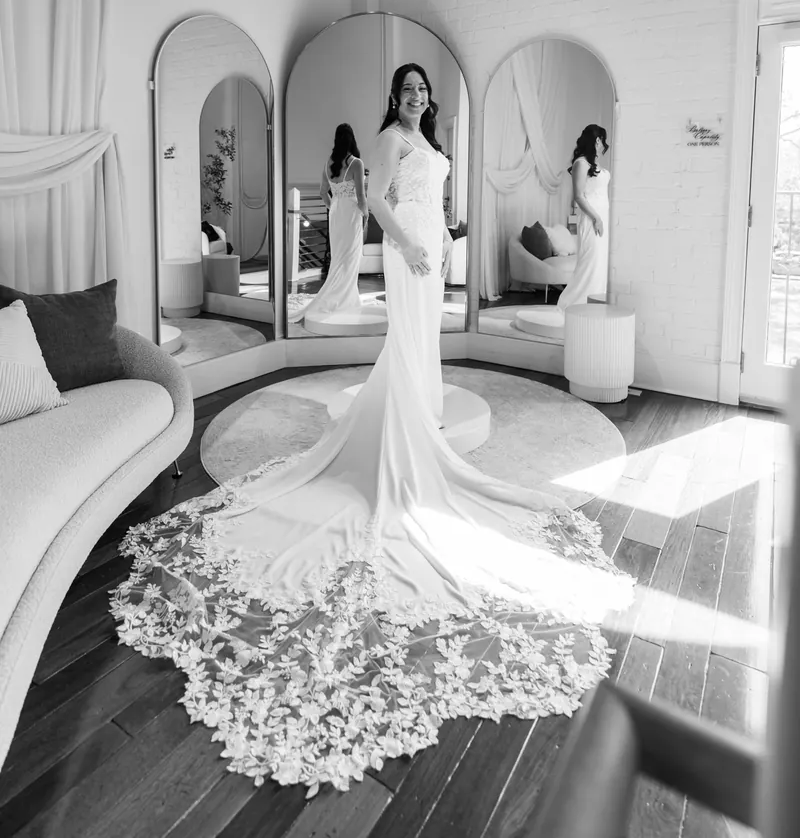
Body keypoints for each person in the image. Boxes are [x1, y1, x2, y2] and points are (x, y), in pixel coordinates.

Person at [112, 67, 632, 796]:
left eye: (423, 89)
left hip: (432, 248)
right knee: (407, 349)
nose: (417, 96)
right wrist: (415, 249)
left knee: (419, 354)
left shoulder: (428, 136)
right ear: (395, 96)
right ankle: (397, 441)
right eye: (408, 89)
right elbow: (380, 199)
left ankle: (414, 423)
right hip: (411, 253)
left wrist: (445, 237)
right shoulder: (389, 138)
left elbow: (430, 195)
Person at [292, 124, 367, 324]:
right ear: (352, 139)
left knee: (339, 258)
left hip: (336, 213)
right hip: (351, 213)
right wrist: (366, 215)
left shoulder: (329, 163)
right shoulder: (356, 163)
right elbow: (361, 196)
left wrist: (333, 206)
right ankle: (344, 301)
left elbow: (322, 192)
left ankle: (343, 298)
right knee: (349, 258)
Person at [557, 124, 611, 312]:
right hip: (591, 220)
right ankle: (574, 306)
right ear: (597, 141)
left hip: (602, 220)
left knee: (600, 265)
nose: (604, 145)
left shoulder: (593, 166)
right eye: (603, 140)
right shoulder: (581, 163)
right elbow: (579, 196)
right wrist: (596, 218)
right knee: (590, 264)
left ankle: (595, 307)